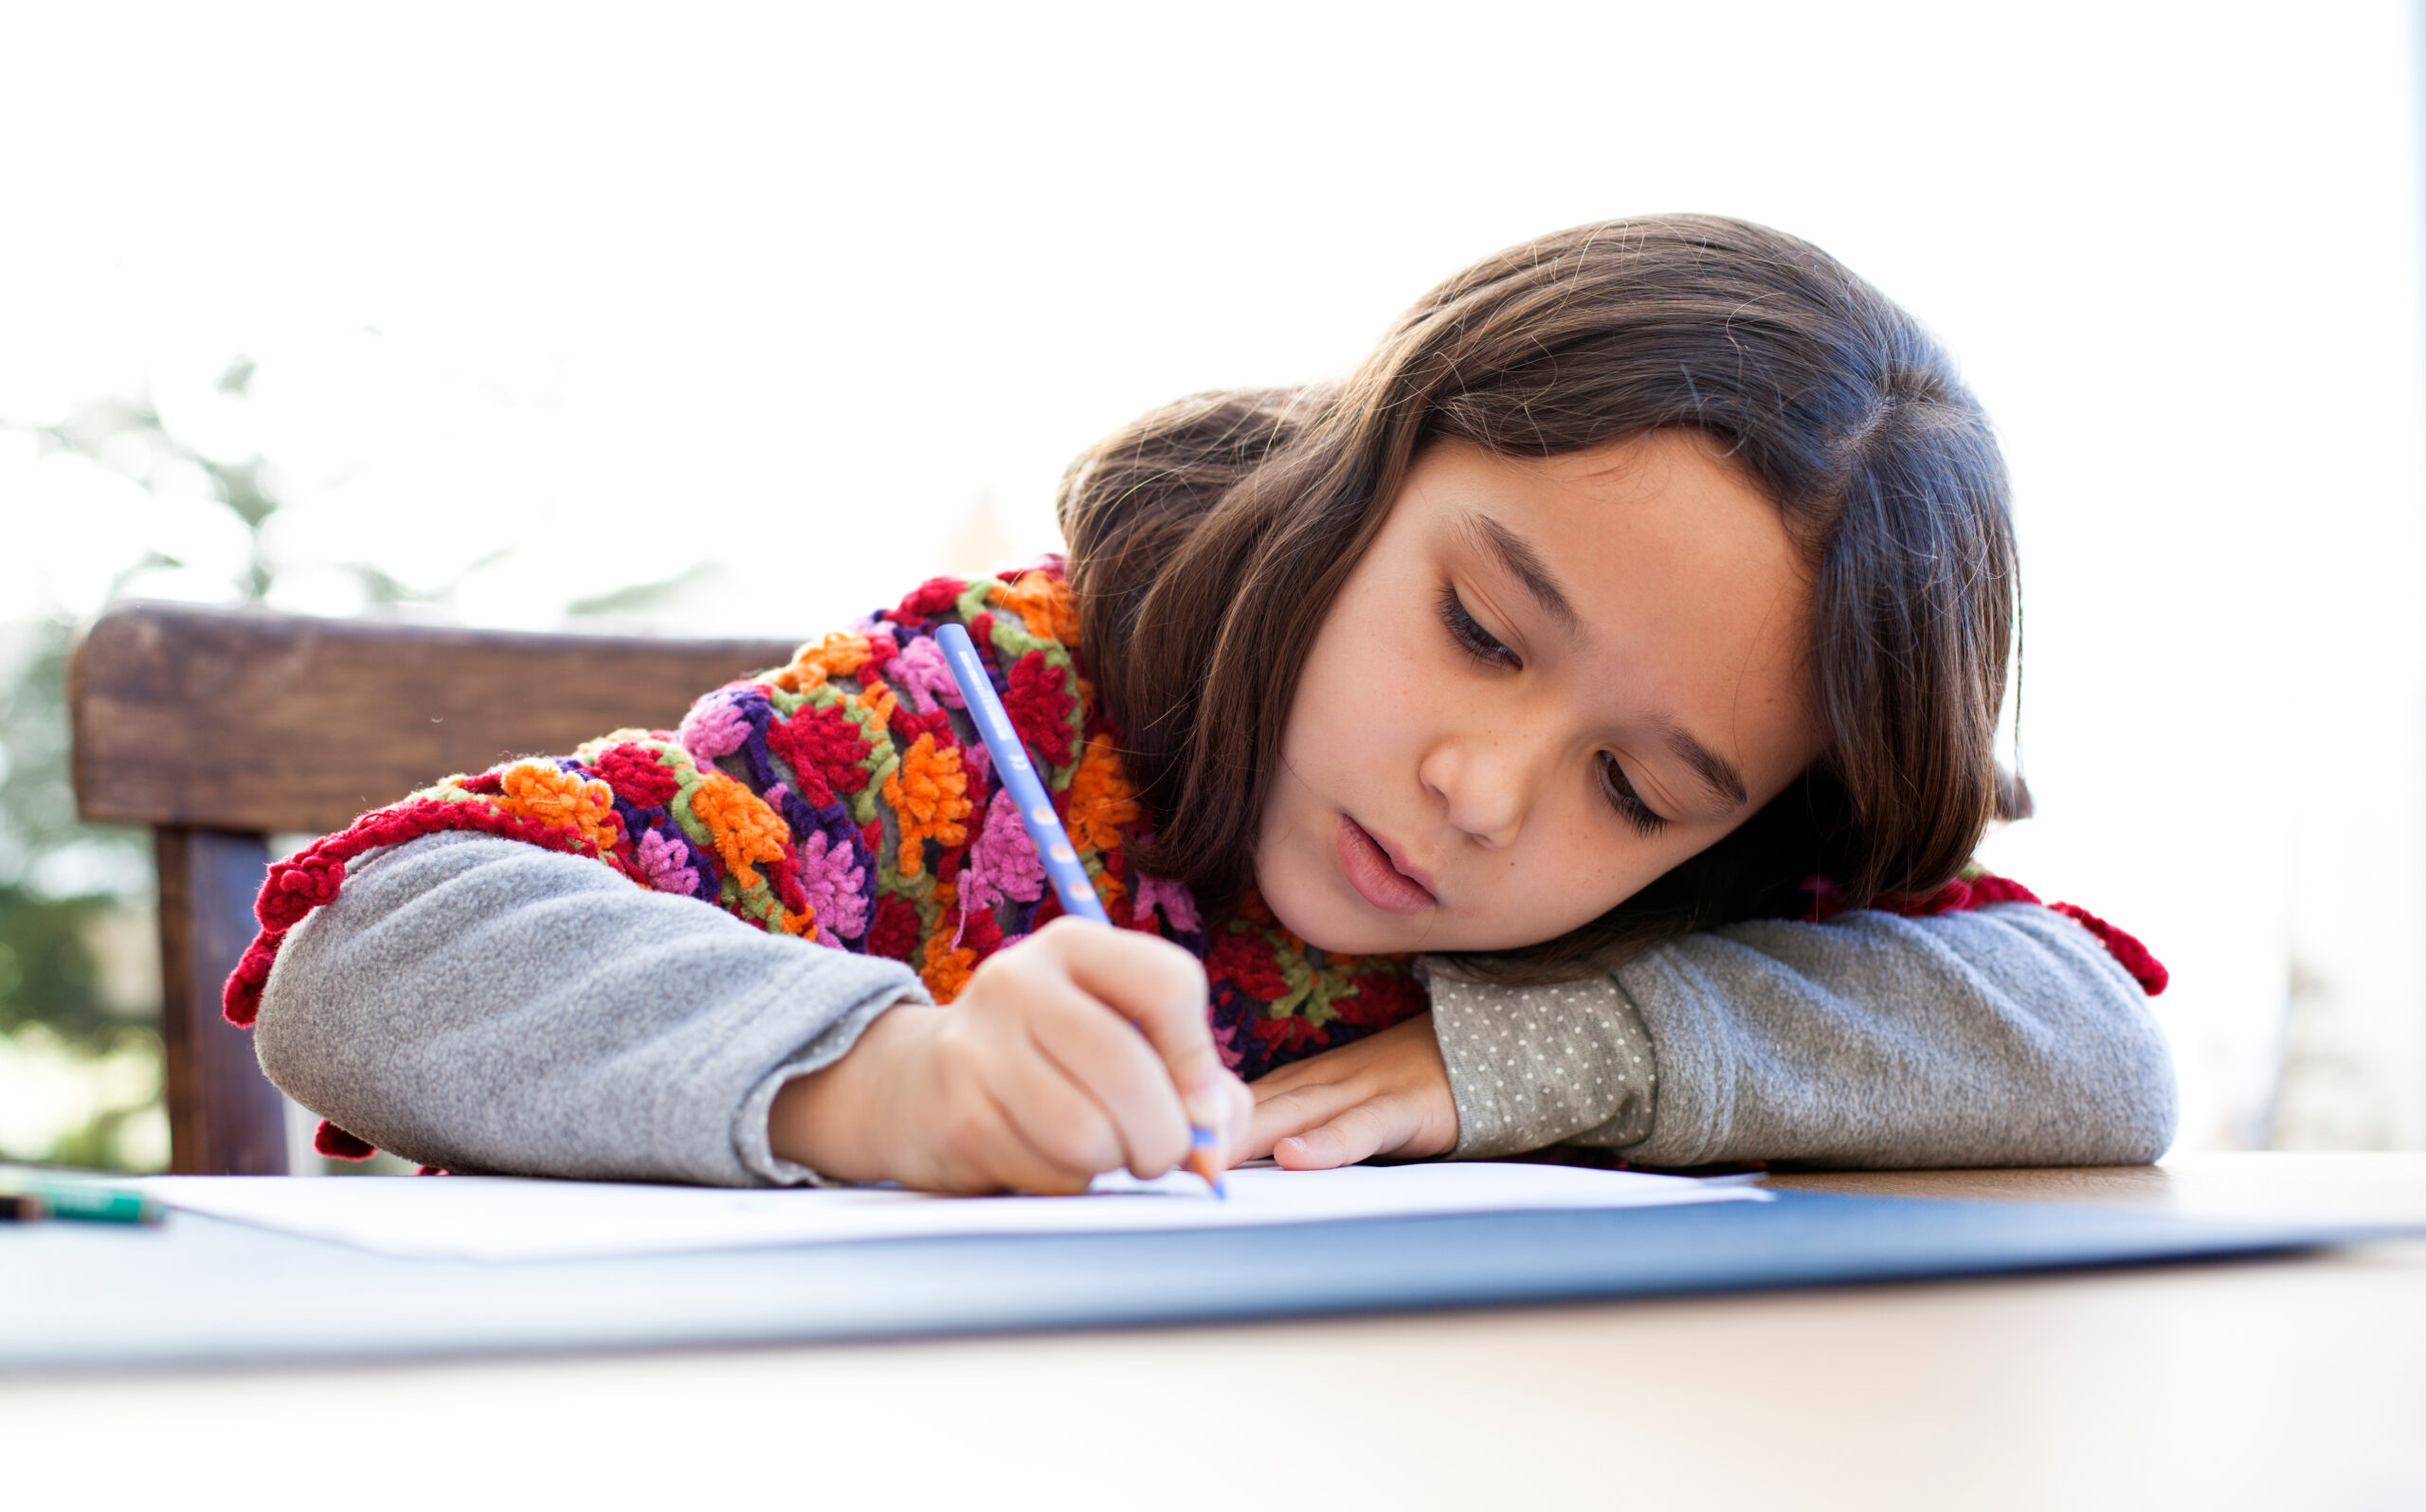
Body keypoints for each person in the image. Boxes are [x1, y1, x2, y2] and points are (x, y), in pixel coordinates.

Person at [237, 215, 2176, 1193]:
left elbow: (2096, 1056)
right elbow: (367, 949)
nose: (1483, 790)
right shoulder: (981, 730)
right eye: (1483, 628)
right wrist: (879, 1083)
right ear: (1363, 477)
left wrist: (1533, 1057)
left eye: (1634, 783)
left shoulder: (1663, 921)